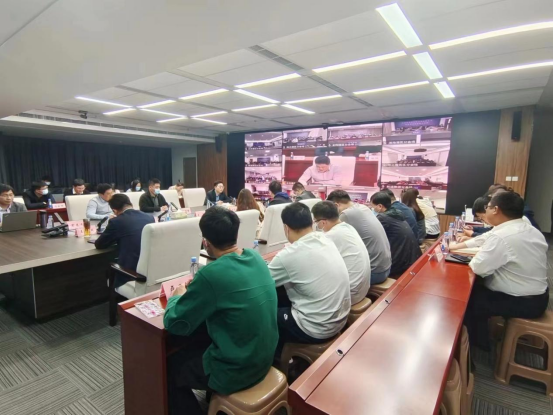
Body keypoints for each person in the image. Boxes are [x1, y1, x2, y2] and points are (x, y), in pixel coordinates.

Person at [164, 207, 278, 415]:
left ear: (205, 242)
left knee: (168, 367)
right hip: (264, 357)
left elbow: (174, 323)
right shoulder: (255, 257)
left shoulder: (211, 274)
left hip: (237, 370)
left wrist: (177, 297)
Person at [464, 191, 549, 350]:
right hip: (539, 296)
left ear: (496, 209)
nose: (486, 211)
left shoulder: (503, 236)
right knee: (477, 289)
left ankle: (478, 347)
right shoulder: (528, 228)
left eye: (488, 207)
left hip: (523, 302)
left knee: (467, 299)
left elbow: (478, 267)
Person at [268, 202, 350, 354]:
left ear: (286, 228)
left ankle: (274, 357)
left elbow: (260, 283)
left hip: (314, 329)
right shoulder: (325, 239)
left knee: (262, 311)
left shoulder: (288, 255)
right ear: (312, 222)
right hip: (340, 320)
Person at [326, 190, 392, 285]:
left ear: (336, 205)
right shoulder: (363, 207)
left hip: (374, 273)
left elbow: (330, 236)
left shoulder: (346, 214)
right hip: (386, 268)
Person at [312, 201, 371, 305]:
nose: (317, 225)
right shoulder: (348, 227)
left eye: (316, 222)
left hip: (350, 295)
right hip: (362, 289)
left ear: (323, 222)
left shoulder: (331, 236)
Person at [94, 194, 155, 286]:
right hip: (150, 271)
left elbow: (100, 244)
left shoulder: (116, 221)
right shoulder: (149, 217)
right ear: (130, 204)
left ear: (114, 210)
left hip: (131, 274)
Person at [370, 192, 422, 278]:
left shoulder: (383, 218)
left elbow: (372, 237)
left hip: (400, 264)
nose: (372, 209)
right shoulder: (396, 213)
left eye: (372, 206)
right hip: (412, 258)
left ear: (380, 206)